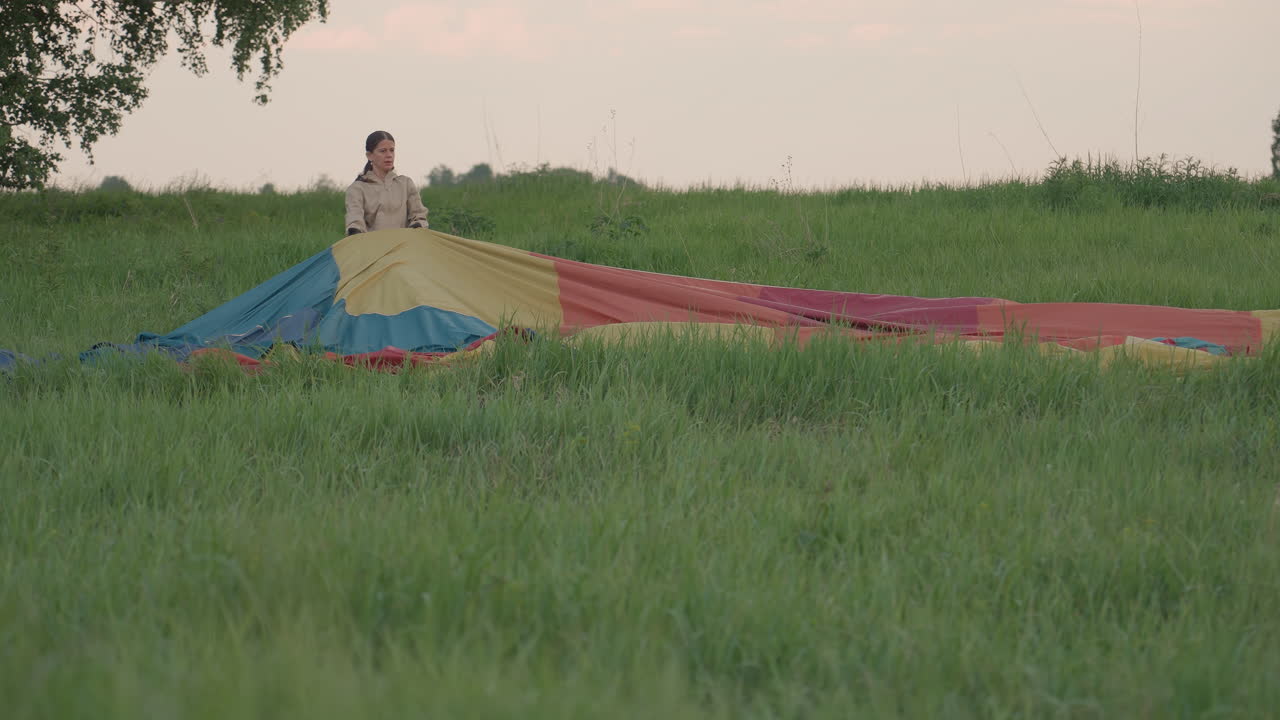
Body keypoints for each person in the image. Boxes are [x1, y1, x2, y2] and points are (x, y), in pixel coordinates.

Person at [344, 130, 429, 235]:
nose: (389, 155)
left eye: (392, 150)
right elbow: (355, 221)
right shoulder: (357, 189)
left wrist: (418, 225)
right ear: (369, 155)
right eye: (383, 151)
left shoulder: (406, 184)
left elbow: (419, 216)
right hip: (372, 248)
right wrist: (355, 231)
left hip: (403, 246)